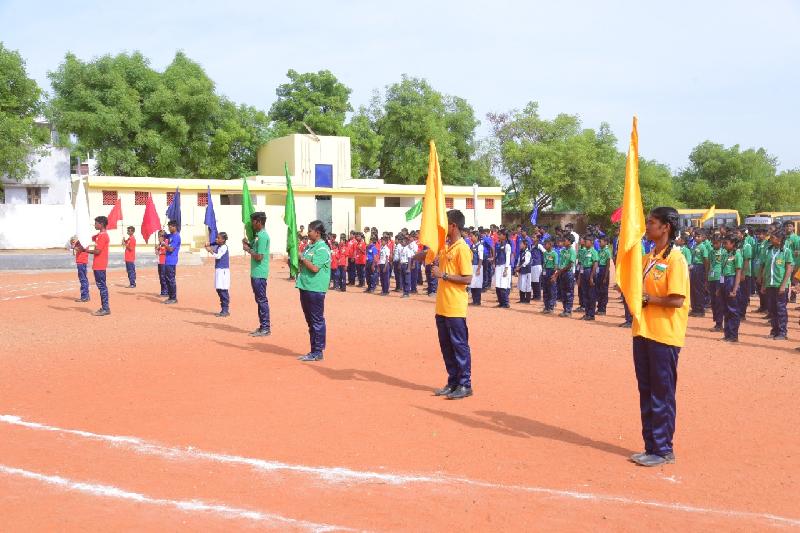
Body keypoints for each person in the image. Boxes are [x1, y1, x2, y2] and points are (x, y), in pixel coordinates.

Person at [630, 207, 689, 467]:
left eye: (652, 222)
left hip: (664, 335)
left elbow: (676, 300)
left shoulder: (676, 259)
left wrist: (647, 299)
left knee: (661, 393)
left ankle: (664, 449)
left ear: (666, 227)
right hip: (643, 331)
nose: (648, 227)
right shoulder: (647, 258)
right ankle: (650, 446)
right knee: (646, 390)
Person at [414, 210, 474, 400]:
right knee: (446, 346)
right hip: (442, 307)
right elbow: (426, 255)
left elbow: (467, 278)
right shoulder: (446, 247)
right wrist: (423, 248)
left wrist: (444, 275)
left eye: (445, 224)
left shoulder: (462, 248)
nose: (442, 228)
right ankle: (453, 381)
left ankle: (465, 384)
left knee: (459, 346)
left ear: (453, 225)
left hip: (455, 307)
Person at [295, 220, 331, 362]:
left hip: (315, 289)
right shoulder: (310, 247)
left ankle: (318, 351)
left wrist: (302, 258)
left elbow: (315, 268)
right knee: (310, 320)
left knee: (317, 320)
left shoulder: (322, 248)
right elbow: (302, 263)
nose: (308, 233)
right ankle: (313, 349)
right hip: (305, 286)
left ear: (318, 232)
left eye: (310, 231)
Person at [242, 212, 271, 337]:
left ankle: (266, 327)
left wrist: (248, 250)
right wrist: (247, 244)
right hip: (255, 273)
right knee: (259, 300)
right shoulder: (258, 235)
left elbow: (259, 256)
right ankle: (262, 326)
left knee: (262, 300)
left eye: (253, 221)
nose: (251, 224)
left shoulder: (263, 236)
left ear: (259, 221)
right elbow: (254, 249)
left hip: (260, 273)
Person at [761, 230, 793, 340]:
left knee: (781, 309)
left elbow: (789, 269)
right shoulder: (769, 250)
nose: (771, 239)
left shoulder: (786, 251)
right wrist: (764, 284)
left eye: (773, 237)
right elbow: (766, 268)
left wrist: (783, 285)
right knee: (772, 308)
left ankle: (782, 332)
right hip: (770, 284)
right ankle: (774, 330)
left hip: (780, 285)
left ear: (780, 239)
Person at [82, 216, 110, 316]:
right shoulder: (100, 235)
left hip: (100, 265)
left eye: (96, 223)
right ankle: (105, 307)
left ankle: (105, 308)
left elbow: (97, 251)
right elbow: (93, 238)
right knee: (101, 286)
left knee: (102, 286)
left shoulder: (103, 236)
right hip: (98, 265)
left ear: (101, 224)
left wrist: (84, 250)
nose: (95, 225)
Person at [720, 235, 742, 342]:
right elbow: (722, 271)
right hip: (724, 281)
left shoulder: (737, 254)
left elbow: (738, 272)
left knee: (733, 310)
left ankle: (733, 336)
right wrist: (719, 287)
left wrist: (735, 289)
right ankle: (727, 334)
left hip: (732, 281)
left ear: (733, 244)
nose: (724, 245)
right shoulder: (726, 254)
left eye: (726, 243)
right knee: (725, 309)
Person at [205, 232, 230, 317]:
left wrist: (210, 250)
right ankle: (224, 308)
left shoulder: (224, 247)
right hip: (219, 269)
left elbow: (218, 256)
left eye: (218, 238)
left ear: (223, 240)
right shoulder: (219, 245)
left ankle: (225, 309)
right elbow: (214, 243)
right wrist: (209, 244)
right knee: (219, 289)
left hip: (223, 271)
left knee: (222, 289)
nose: (216, 239)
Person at [553, 235, 576, 317]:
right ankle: (565, 309)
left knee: (569, 292)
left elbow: (571, 264)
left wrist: (560, 271)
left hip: (568, 273)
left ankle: (568, 310)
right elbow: (561, 263)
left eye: (565, 240)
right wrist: (558, 269)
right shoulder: (562, 251)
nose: (563, 242)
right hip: (561, 273)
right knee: (563, 292)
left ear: (569, 242)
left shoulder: (572, 251)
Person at [577, 235, 599, 321]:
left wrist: (591, 277)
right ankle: (586, 313)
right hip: (583, 273)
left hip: (590, 272)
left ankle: (591, 314)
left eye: (587, 241)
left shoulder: (594, 252)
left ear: (591, 242)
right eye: (585, 241)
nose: (585, 242)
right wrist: (579, 277)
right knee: (585, 294)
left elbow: (595, 264)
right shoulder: (584, 252)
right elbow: (581, 264)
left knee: (591, 295)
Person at [707, 237, 725, 333]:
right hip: (712, 277)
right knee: (713, 301)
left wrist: (722, 282)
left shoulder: (724, 252)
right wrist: (707, 278)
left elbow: (724, 267)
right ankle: (716, 322)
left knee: (719, 302)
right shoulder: (711, 252)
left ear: (721, 243)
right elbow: (710, 264)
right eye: (713, 243)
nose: (715, 245)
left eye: (716, 243)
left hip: (719, 278)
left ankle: (720, 324)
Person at [163, 220, 181, 304]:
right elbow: (164, 235)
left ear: (175, 227)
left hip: (172, 260)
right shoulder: (170, 235)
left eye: (170, 227)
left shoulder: (176, 237)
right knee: (167, 279)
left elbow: (171, 249)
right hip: (167, 260)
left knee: (171, 279)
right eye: (168, 227)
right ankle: (170, 297)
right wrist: (161, 233)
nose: (169, 228)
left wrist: (164, 244)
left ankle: (173, 298)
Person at [494, 230, 512, 308]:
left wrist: (506, 269)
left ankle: (505, 303)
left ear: (504, 236)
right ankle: (501, 302)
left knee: (503, 285)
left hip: (504, 266)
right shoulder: (498, 245)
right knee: (498, 285)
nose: (498, 236)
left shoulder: (507, 245)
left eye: (500, 234)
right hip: (498, 266)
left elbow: (508, 257)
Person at [596, 235, 613, 315]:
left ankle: (603, 309)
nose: (599, 243)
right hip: (599, 270)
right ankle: (599, 307)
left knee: (603, 291)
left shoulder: (607, 251)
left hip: (604, 270)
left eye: (601, 241)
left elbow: (608, 265)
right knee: (598, 290)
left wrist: (605, 277)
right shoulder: (599, 251)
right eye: (599, 241)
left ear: (606, 242)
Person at [70, 235, 90, 302]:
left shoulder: (81, 244)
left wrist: (73, 246)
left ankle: (84, 296)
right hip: (83, 261)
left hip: (81, 262)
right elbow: (74, 252)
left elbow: (78, 249)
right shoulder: (83, 243)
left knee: (83, 279)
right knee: (84, 278)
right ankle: (86, 295)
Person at [541, 238, 557, 314]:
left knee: (551, 290)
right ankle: (546, 306)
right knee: (545, 290)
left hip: (551, 271)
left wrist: (554, 275)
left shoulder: (554, 254)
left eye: (546, 244)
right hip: (545, 271)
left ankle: (551, 307)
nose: (544, 246)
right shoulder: (545, 253)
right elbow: (544, 263)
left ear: (550, 245)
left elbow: (556, 265)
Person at [468, 231, 484, 306]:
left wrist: (478, 268)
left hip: (477, 265)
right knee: (473, 283)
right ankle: (474, 300)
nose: (471, 238)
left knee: (477, 284)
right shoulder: (472, 246)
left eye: (472, 236)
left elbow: (481, 258)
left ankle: (478, 301)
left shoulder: (480, 246)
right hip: (472, 266)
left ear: (476, 237)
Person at [515, 239, 532, 304]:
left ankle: (527, 300)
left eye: (521, 244)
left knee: (527, 285)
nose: (520, 245)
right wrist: (517, 266)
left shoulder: (527, 252)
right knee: (521, 284)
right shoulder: (521, 252)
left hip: (526, 270)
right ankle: (522, 299)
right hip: (521, 270)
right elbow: (519, 260)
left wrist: (519, 267)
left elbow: (526, 262)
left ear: (525, 245)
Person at [156, 230, 168, 297]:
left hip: (164, 262)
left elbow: (167, 251)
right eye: (159, 235)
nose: (159, 237)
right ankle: (163, 291)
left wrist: (160, 251)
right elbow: (157, 252)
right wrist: (157, 249)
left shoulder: (166, 242)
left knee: (164, 277)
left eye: (161, 235)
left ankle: (166, 291)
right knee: (161, 277)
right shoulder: (160, 243)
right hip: (159, 261)